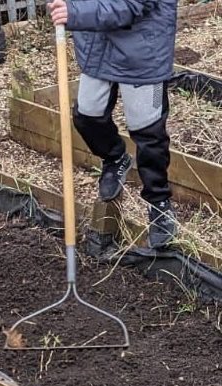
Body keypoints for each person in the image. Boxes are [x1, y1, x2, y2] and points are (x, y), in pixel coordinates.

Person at [47, 0, 177, 249]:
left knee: (148, 133)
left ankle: (159, 203)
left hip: (142, 50)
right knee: (87, 116)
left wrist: (74, 14)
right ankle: (115, 158)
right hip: (99, 46)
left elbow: (130, 6)